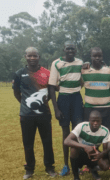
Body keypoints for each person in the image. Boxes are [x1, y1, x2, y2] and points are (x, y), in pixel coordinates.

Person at [13, 47, 56, 179]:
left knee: (47, 142)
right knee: (28, 143)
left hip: (44, 114)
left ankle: (49, 168)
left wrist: (44, 102)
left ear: (39, 57)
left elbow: (50, 92)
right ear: (25, 56)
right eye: (29, 56)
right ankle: (29, 169)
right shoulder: (19, 73)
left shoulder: (47, 73)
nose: (32, 58)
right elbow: (16, 92)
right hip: (26, 115)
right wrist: (25, 104)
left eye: (35, 56)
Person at [48, 41, 84, 176]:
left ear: (75, 50)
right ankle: (66, 165)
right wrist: (56, 109)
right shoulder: (56, 63)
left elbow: (82, 81)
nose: (70, 51)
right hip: (63, 99)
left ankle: (77, 165)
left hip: (76, 98)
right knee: (65, 133)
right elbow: (51, 87)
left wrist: (75, 89)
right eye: (68, 48)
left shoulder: (80, 62)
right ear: (63, 49)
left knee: (78, 132)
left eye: (72, 49)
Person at [64, 110, 110, 180]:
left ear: (101, 121)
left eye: (98, 121)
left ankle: (93, 169)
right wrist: (85, 146)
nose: (95, 123)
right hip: (80, 152)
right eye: (93, 121)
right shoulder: (82, 126)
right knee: (73, 149)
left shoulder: (105, 131)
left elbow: (105, 150)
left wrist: (100, 155)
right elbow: (66, 141)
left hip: (93, 152)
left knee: (105, 166)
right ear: (89, 120)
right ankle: (76, 177)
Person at [81, 47, 110, 129]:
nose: (97, 58)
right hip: (89, 108)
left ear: (102, 57)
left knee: (108, 134)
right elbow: (79, 85)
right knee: (90, 134)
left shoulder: (109, 71)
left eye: (99, 56)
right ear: (90, 57)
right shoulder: (84, 70)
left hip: (106, 108)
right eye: (94, 56)